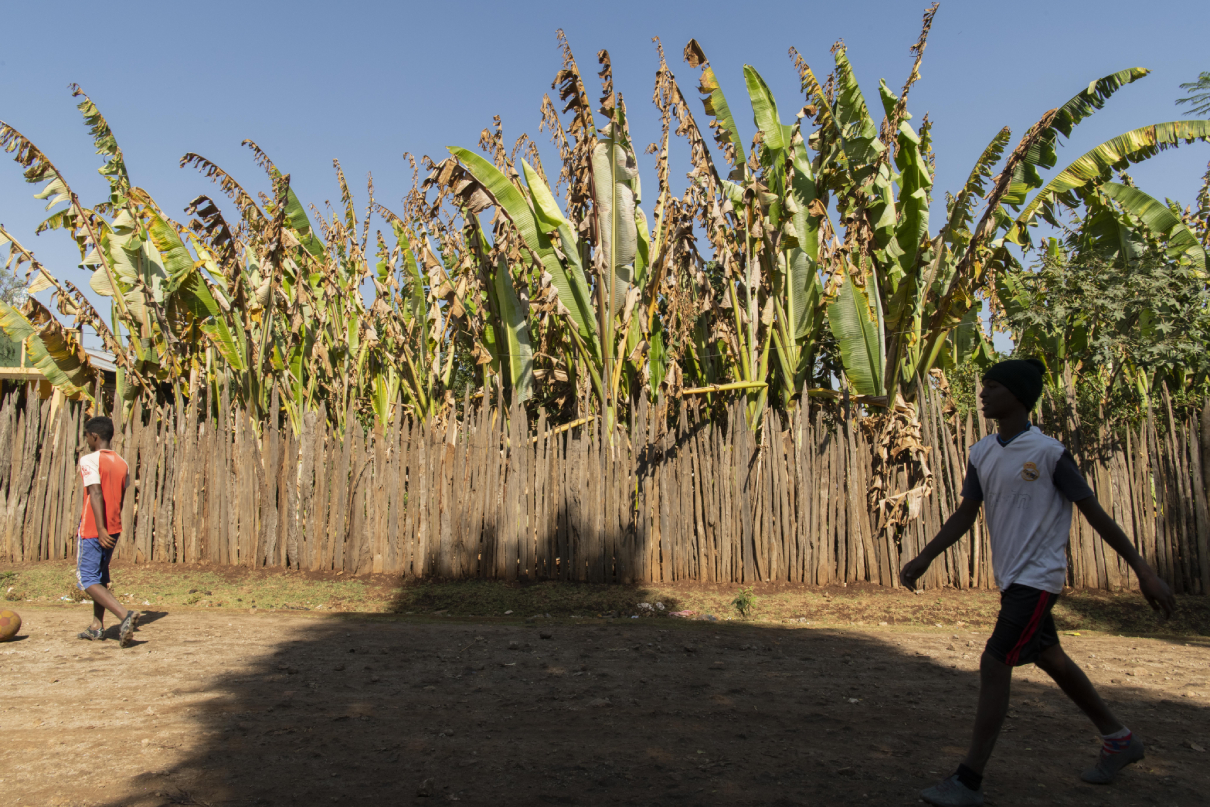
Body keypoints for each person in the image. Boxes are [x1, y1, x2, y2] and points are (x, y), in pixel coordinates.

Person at [901, 358, 1175, 807]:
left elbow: (1095, 515)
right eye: (984, 385)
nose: (984, 393)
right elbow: (966, 514)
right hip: (1012, 579)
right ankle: (1120, 740)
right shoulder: (982, 452)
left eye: (993, 386)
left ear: (1019, 395)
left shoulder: (1048, 453)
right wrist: (925, 556)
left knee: (995, 662)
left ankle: (967, 781)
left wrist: (1142, 569)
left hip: (1039, 578)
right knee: (1050, 658)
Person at [75, 415, 139, 647]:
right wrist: (109, 527)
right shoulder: (122, 462)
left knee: (87, 578)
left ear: (94, 436)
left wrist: (99, 527)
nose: (86, 441)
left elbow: (95, 493)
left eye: (87, 437)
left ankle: (125, 616)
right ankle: (96, 626)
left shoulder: (89, 460)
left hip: (95, 529)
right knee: (100, 577)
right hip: (114, 527)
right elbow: (119, 496)